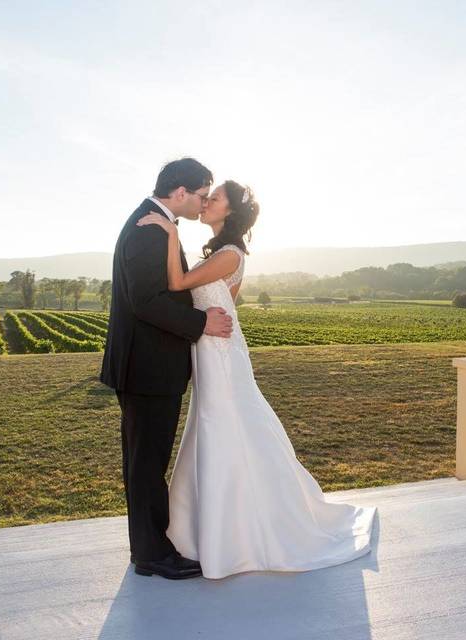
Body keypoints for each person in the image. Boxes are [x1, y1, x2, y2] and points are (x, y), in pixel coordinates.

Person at [135, 179, 376, 580]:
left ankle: (241, 533)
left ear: (229, 212)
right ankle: (210, 529)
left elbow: (177, 284)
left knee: (227, 425)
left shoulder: (230, 255)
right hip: (209, 347)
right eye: (206, 197)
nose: (206, 202)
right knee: (217, 425)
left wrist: (170, 232)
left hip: (221, 356)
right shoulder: (220, 252)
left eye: (214, 199)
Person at [100, 158, 233, 580]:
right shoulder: (148, 227)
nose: (202, 203)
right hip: (146, 368)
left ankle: (151, 547)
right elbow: (146, 301)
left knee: (146, 462)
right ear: (180, 192)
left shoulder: (157, 223)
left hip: (151, 365)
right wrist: (201, 323)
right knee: (145, 465)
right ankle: (152, 554)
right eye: (199, 195)